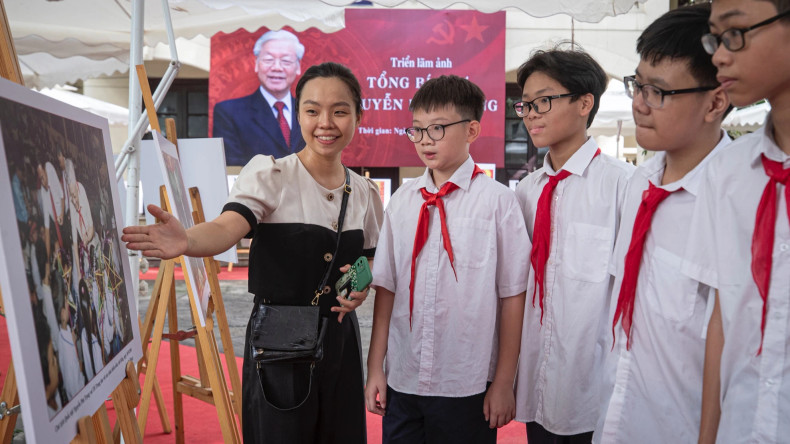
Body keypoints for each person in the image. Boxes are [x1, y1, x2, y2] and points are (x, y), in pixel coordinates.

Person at [123, 61, 383, 443]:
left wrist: (359, 284)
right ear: (299, 115)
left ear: (358, 116)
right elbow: (227, 227)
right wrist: (187, 242)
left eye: (339, 111)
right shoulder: (271, 175)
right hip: (279, 343)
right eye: (312, 110)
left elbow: (371, 257)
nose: (325, 122)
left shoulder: (364, 193)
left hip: (341, 342)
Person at [592, 4, 732, 443]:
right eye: (637, 84)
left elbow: (730, 350)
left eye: (658, 92)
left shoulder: (736, 202)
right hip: (617, 415)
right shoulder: (640, 183)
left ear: (715, 102)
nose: (638, 103)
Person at [365, 75, 529, 443]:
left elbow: (513, 295)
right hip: (404, 377)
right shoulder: (404, 202)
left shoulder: (498, 202)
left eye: (437, 128)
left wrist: (504, 382)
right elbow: (387, 289)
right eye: (417, 130)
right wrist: (376, 367)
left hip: (466, 382)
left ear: (471, 130)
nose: (425, 140)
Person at [512, 47, 634, 443]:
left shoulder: (623, 186)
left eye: (543, 101)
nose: (531, 114)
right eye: (526, 105)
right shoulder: (526, 192)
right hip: (536, 380)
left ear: (585, 103)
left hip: (593, 391)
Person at [681, 1, 790, 442]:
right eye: (715, 38)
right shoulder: (727, 174)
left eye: (736, 34)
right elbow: (723, 318)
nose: (720, 56)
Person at [213, 30, 307, 166]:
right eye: (269, 59)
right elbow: (231, 166)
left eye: (286, 61)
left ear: (298, 66)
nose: (277, 67)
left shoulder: (309, 112)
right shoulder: (229, 112)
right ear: (256, 63)